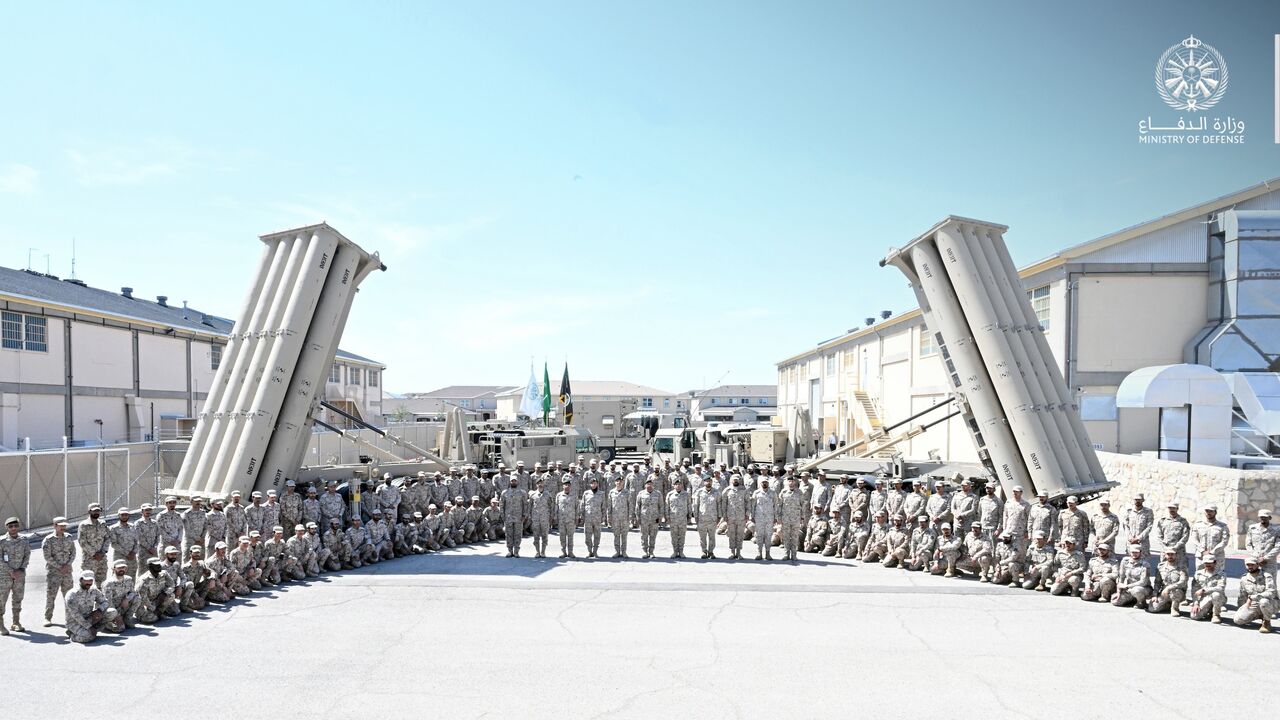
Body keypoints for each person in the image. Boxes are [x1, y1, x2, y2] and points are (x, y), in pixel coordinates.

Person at [41, 516, 76, 627]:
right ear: (55, 526)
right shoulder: (48, 540)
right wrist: (59, 566)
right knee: (51, 595)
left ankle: (70, 618)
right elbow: (47, 557)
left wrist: (68, 565)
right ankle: (47, 617)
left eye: (64, 526)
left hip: (67, 572)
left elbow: (73, 552)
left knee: (69, 596)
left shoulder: (69, 537)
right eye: (61, 526)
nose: (63, 528)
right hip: (54, 573)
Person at [64, 571, 117, 643]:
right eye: (86, 580)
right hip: (75, 622)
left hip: (90, 618)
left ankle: (93, 630)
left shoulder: (93, 590)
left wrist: (99, 610)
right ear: (81, 579)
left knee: (112, 612)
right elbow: (76, 615)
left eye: (91, 580)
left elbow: (105, 602)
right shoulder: (72, 594)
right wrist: (89, 627)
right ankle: (72, 635)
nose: (89, 583)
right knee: (88, 637)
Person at [1232, 556, 1277, 633]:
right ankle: (1260, 615)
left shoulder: (1267, 576)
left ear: (1258, 565)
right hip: (1254, 604)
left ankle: (1266, 622)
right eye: (1248, 565)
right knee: (1238, 620)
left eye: (1252, 565)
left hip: (1270, 603)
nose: (1250, 567)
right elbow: (1242, 596)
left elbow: (1271, 592)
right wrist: (1241, 609)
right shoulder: (1244, 578)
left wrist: (1254, 597)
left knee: (1263, 601)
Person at [1, 516, 29, 633]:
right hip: (4, 576)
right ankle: (1, 625)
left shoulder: (24, 540)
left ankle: (16, 622)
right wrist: (10, 571)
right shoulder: (2, 541)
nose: (13, 528)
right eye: (10, 526)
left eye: (15, 526)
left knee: (18, 598)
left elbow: (27, 555)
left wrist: (21, 569)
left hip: (19, 574)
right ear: (7, 527)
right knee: (1, 600)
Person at [134, 558, 179, 624]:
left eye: (159, 564)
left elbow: (172, 585)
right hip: (146, 603)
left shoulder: (164, 574)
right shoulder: (144, 579)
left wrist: (164, 593)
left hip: (158, 600)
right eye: (156, 565)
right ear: (149, 567)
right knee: (150, 619)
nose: (159, 566)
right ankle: (145, 614)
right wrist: (153, 609)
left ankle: (160, 612)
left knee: (173, 604)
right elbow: (142, 597)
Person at [78, 503, 111, 586]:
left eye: (98, 511)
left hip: (102, 559)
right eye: (94, 511)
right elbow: (82, 541)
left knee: (102, 583)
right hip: (89, 559)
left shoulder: (103, 524)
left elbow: (107, 538)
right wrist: (94, 553)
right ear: (89, 512)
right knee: (87, 584)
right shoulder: (84, 525)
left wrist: (103, 552)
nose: (97, 513)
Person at [1148, 549, 1188, 617]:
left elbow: (1183, 582)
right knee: (1152, 609)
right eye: (1168, 554)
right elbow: (1157, 582)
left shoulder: (1182, 566)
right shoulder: (1161, 566)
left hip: (1178, 592)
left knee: (1175, 591)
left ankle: (1174, 608)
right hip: (1164, 592)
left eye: (1172, 554)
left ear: (1176, 555)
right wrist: (1155, 595)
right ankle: (1167, 605)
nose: (1170, 556)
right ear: (1165, 555)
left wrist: (1169, 588)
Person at [1188, 553, 1226, 623]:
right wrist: (1196, 603)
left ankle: (1216, 615)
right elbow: (1194, 590)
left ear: (1214, 563)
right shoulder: (1198, 574)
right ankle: (1208, 610)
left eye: (1210, 563)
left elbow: (1221, 588)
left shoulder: (1221, 574)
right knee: (1194, 616)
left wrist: (1204, 590)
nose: (1208, 565)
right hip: (1204, 598)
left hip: (1218, 597)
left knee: (1216, 594)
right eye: (1206, 563)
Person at [102, 559, 139, 630]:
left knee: (137, 598)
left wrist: (127, 599)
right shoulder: (108, 583)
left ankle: (127, 619)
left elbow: (133, 592)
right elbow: (108, 602)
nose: (121, 570)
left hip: (123, 606)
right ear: (113, 569)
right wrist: (117, 616)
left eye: (123, 567)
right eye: (119, 568)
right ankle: (107, 623)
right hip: (112, 610)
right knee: (120, 629)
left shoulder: (128, 579)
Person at [1192, 504, 1229, 573]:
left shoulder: (1222, 526)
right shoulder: (1198, 525)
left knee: (1218, 577)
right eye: (1207, 511)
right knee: (1199, 577)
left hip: (1216, 557)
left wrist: (1212, 552)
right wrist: (1203, 551)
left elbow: (1224, 541)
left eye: (1211, 511)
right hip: (1201, 556)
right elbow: (1194, 539)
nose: (1208, 513)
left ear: (1215, 512)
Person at [1246, 509, 1279, 583]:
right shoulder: (1252, 528)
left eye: (1265, 517)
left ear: (1270, 518)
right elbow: (1248, 544)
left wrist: (1265, 558)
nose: (1262, 518)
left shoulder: (1277, 529)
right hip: (1255, 561)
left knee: (1271, 583)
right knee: (1255, 583)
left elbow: (1278, 546)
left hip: (1270, 562)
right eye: (1261, 517)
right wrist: (1256, 557)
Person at [693, 476, 722, 559]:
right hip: (702, 518)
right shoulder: (699, 492)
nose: (708, 483)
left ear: (712, 482)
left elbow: (719, 504)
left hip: (713, 518)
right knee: (702, 536)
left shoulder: (716, 492)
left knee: (712, 536)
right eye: (706, 481)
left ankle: (711, 552)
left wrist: (719, 516)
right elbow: (695, 505)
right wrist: (696, 516)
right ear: (703, 482)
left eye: (710, 481)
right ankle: (704, 551)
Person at [1156, 502, 1190, 570]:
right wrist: (1165, 547)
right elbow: (1159, 536)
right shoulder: (1162, 521)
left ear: (1177, 509)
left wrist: (1176, 547)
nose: (1171, 510)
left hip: (1179, 550)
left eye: (1173, 508)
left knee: (1181, 569)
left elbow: (1185, 535)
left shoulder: (1183, 521)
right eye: (1170, 508)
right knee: (1164, 569)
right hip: (1165, 550)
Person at [500, 476, 529, 558]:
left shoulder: (522, 492)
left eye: (515, 481)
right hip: (508, 517)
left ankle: (516, 551)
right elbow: (501, 505)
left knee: (518, 534)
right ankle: (509, 551)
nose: (513, 482)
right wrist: (503, 516)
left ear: (517, 482)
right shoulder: (504, 492)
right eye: (512, 481)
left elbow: (525, 505)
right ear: (510, 482)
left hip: (518, 517)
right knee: (508, 534)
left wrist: (524, 515)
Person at [778, 477, 806, 562]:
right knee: (786, 537)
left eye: (792, 481)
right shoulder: (783, 492)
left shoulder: (799, 492)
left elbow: (803, 505)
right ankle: (786, 554)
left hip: (796, 518)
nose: (791, 482)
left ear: (795, 482)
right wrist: (779, 517)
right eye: (789, 481)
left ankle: (794, 555)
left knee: (794, 537)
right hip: (785, 518)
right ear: (787, 482)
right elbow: (779, 505)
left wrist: (802, 517)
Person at [722, 474, 749, 560]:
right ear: (731, 480)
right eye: (734, 480)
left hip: (741, 517)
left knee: (740, 535)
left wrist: (747, 514)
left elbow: (747, 502)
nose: (736, 481)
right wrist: (724, 515)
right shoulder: (727, 490)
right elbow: (724, 504)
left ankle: (739, 553)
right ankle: (732, 552)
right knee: (731, 534)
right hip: (731, 517)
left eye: (737, 480)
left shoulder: (744, 490)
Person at [109, 507, 140, 579]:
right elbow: (114, 543)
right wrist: (127, 553)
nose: (124, 516)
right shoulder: (113, 528)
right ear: (118, 516)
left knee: (132, 577)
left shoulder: (133, 527)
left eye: (126, 515)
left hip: (132, 557)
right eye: (122, 515)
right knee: (118, 577)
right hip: (120, 557)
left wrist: (133, 552)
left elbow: (137, 541)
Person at [581, 478, 608, 558]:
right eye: (592, 483)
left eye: (595, 483)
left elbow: (604, 506)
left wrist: (603, 517)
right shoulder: (586, 493)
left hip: (597, 518)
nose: (593, 485)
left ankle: (595, 551)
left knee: (597, 536)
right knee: (587, 536)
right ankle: (589, 551)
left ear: (597, 484)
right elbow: (582, 505)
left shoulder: (601, 494)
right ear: (590, 484)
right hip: (588, 518)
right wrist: (582, 516)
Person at [751, 479, 776, 561]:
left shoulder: (773, 493)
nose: (764, 484)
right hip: (759, 518)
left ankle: (768, 553)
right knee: (759, 536)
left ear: (768, 483)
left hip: (769, 518)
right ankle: (759, 553)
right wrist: (752, 516)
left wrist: (776, 517)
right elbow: (753, 505)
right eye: (763, 482)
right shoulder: (756, 493)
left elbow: (776, 505)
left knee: (768, 536)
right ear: (760, 483)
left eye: (766, 482)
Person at [606, 476, 632, 559]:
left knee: (624, 535)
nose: (619, 482)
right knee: (616, 535)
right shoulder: (611, 492)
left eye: (620, 481)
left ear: (623, 482)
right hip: (615, 518)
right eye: (617, 481)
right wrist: (608, 517)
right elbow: (609, 506)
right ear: (615, 482)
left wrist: (630, 517)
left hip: (625, 518)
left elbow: (630, 505)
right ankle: (617, 551)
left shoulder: (627, 492)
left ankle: (624, 552)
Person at [666, 479, 691, 559]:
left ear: (682, 485)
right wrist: (667, 517)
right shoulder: (670, 494)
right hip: (673, 519)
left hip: (683, 519)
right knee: (674, 536)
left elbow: (689, 505)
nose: (678, 486)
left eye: (680, 484)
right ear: (673, 485)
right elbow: (667, 506)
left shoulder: (686, 494)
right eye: (676, 484)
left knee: (682, 536)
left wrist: (689, 517)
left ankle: (681, 552)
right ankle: (674, 551)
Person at [555, 480, 578, 558]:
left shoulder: (574, 495)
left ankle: (570, 552)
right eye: (565, 485)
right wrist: (555, 517)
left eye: (568, 485)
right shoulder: (559, 495)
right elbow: (556, 507)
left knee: (570, 537)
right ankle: (563, 552)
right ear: (563, 486)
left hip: (571, 519)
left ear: (570, 486)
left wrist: (577, 518)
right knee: (562, 536)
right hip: (561, 519)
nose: (567, 486)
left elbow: (577, 507)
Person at [529, 480, 552, 559]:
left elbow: (550, 506)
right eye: (538, 483)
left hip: (545, 518)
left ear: (543, 484)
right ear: (536, 485)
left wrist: (551, 517)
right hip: (535, 519)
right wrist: (529, 517)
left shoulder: (547, 495)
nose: (540, 485)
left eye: (541, 483)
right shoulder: (533, 495)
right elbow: (530, 506)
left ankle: (543, 551)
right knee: (536, 536)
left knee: (545, 536)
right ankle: (537, 551)